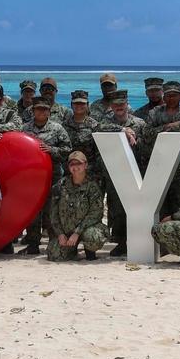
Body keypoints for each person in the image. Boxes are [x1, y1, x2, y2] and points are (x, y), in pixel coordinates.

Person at [96, 89, 147, 256]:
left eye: (122, 104)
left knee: (134, 209)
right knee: (116, 208)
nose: (119, 107)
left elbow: (146, 145)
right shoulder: (105, 122)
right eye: (115, 104)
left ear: (127, 104)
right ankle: (120, 241)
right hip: (114, 173)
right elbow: (99, 128)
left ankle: (133, 240)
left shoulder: (139, 123)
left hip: (135, 173)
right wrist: (122, 130)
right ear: (111, 106)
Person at [20, 96, 72, 254]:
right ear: (33, 111)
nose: (41, 111)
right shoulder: (24, 129)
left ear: (50, 111)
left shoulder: (57, 129)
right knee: (33, 211)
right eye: (38, 108)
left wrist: (52, 150)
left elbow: (67, 149)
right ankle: (33, 243)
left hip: (53, 176)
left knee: (52, 210)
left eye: (45, 109)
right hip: (32, 177)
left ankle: (53, 242)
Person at [141, 81, 180, 217]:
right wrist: (166, 127)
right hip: (160, 162)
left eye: (175, 95)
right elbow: (146, 133)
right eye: (168, 95)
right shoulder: (155, 112)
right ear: (164, 97)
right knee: (161, 201)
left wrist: (162, 130)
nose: (171, 98)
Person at [48, 151, 107, 262]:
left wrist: (77, 232)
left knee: (93, 237)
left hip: (86, 229)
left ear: (85, 165)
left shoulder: (92, 186)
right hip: (67, 230)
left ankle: (90, 252)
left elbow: (96, 213)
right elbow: (53, 212)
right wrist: (60, 233)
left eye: (78, 163)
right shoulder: (61, 185)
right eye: (72, 164)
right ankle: (71, 249)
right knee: (54, 255)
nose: (75, 167)